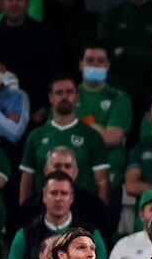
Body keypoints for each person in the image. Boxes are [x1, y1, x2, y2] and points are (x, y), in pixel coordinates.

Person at [3, 172, 109, 259]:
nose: (58, 198)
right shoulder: (24, 235)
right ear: (44, 195)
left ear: (71, 198)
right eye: (53, 193)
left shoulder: (92, 236)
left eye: (64, 193)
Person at [19, 75, 110, 216]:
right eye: (59, 92)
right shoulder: (36, 136)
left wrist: (101, 215)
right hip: (43, 211)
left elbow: (102, 182)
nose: (65, 96)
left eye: (69, 92)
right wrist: (24, 212)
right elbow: (27, 180)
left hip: (84, 211)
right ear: (50, 97)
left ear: (77, 96)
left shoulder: (92, 136)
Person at [97, 0, 152, 115]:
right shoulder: (110, 16)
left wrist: (124, 52)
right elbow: (105, 58)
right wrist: (150, 53)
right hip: (116, 90)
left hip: (151, 92)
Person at [77, 45, 134, 191]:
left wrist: (79, 126)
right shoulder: (68, 95)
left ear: (108, 66)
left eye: (100, 61)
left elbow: (111, 138)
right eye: (90, 60)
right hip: (75, 178)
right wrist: (98, 128)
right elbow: (60, 133)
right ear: (81, 64)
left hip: (110, 179)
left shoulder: (120, 98)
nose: (95, 65)